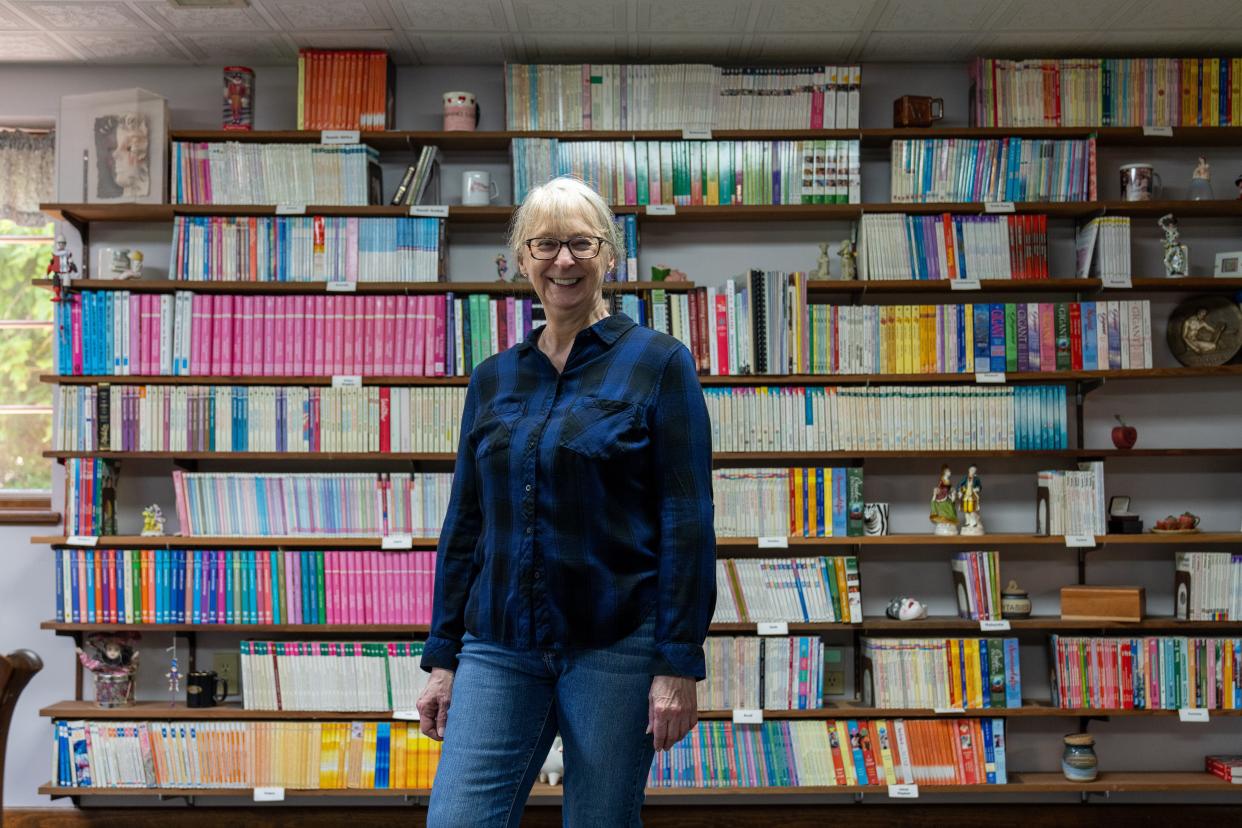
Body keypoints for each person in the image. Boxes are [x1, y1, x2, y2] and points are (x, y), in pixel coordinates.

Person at [417, 175, 716, 827]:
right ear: (521, 259)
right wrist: (442, 657)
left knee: (600, 821)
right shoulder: (494, 377)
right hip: (500, 644)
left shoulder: (659, 363)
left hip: (615, 642)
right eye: (545, 244)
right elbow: (466, 522)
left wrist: (678, 665)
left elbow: (687, 521)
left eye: (580, 243)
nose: (563, 261)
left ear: (608, 254)